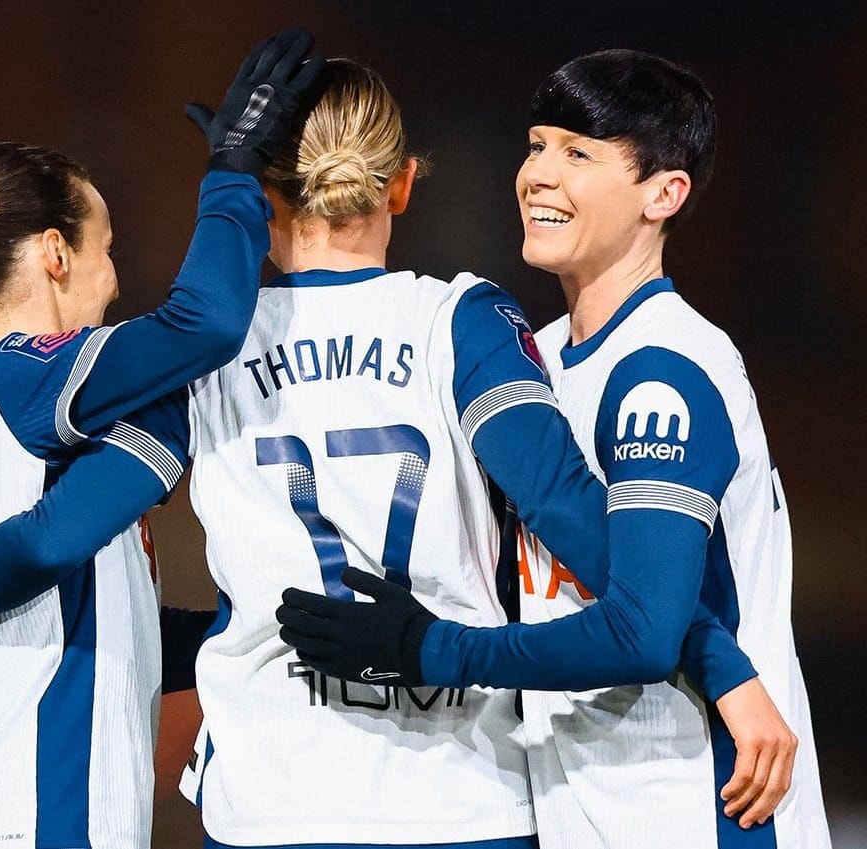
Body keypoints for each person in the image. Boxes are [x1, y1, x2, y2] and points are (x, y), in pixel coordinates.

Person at [0, 57, 794, 849]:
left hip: (269, 802)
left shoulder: (203, 360)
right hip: (456, 797)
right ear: (401, 183)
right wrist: (718, 656)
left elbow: (60, 531)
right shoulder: (465, 324)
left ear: (268, 191)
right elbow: (575, 520)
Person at [277, 50, 831, 847]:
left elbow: (641, 632)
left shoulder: (661, 370)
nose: (539, 173)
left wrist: (432, 648)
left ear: (663, 193)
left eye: (579, 153)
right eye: (537, 144)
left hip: (703, 808)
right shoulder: (535, 359)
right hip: (583, 808)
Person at [0, 28, 324, 849]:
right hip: (31, 825)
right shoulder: (19, 375)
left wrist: (270, 622)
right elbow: (207, 323)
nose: (115, 280)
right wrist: (234, 177)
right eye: (106, 250)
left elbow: (99, 621)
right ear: (54, 253)